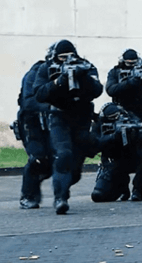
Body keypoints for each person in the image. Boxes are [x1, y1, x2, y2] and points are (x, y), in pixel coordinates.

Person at [33, 39, 103, 214]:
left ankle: (63, 185)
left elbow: (97, 90)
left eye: (69, 57)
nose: (66, 61)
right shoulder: (46, 68)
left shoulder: (86, 66)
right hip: (59, 117)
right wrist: (59, 81)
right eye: (62, 57)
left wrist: (83, 77)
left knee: (76, 168)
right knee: (63, 155)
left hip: (81, 119)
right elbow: (39, 94)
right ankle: (60, 198)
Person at [106, 49, 142, 201]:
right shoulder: (116, 72)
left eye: (134, 63)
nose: (131, 65)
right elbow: (111, 90)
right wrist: (131, 82)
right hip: (124, 114)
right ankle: (125, 189)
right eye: (128, 63)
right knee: (123, 153)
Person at [17, 48, 53, 209]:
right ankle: (28, 195)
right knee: (37, 157)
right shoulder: (35, 74)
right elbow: (28, 103)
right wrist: (53, 106)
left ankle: (37, 179)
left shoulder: (64, 74)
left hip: (51, 122)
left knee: (59, 157)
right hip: (30, 122)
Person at [90, 103, 142, 202]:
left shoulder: (131, 118)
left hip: (133, 159)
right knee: (98, 195)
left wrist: (134, 135)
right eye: (114, 118)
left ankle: (137, 189)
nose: (118, 119)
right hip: (112, 163)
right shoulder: (99, 124)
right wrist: (112, 137)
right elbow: (93, 146)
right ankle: (123, 188)